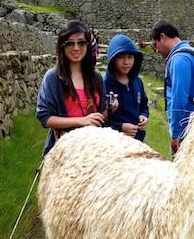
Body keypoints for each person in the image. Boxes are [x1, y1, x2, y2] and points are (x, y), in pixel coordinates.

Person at [36, 20, 110, 156]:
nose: (76, 48)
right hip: (63, 151)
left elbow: (101, 115)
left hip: (94, 151)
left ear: (87, 45)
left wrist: (109, 110)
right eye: (70, 43)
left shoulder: (97, 78)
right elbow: (45, 118)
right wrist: (81, 121)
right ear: (62, 47)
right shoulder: (53, 78)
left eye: (81, 42)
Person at [150, 19, 194, 155]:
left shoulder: (179, 60)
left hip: (186, 131)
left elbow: (179, 98)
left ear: (162, 37)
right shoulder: (193, 53)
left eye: (155, 44)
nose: (156, 50)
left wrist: (175, 134)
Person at [104, 34, 149, 141]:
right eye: (121, 57)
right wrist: (120, 127)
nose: (126, 62)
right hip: (113, 143)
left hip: (137, 141)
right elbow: (99, 120)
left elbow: (144, 105)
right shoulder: (104, 85)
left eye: (130, 57)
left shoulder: (137, 82)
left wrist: (143, 115)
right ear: (112, 59)